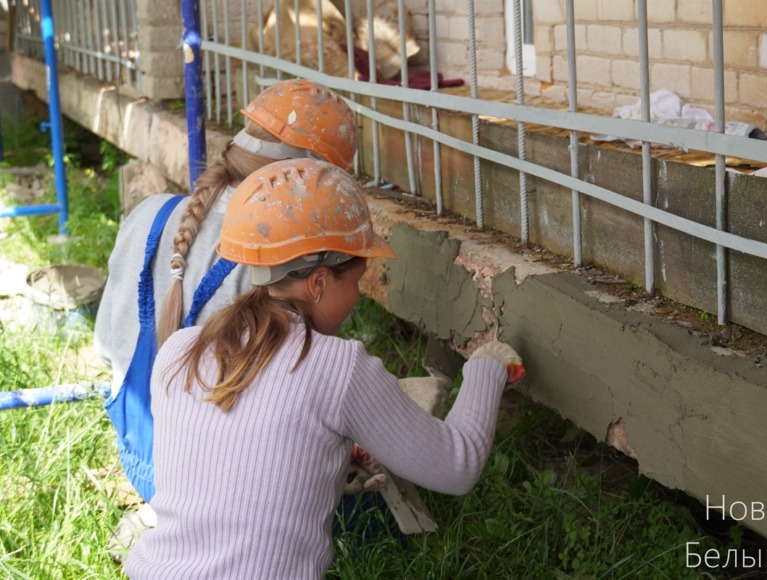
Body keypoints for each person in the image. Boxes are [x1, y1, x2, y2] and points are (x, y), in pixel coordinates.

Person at [124, 158, 524, 579]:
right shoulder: (337, 367)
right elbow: (458, 465)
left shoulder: (180, 350)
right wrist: (486, 366)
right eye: (355, 280)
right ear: (318, 283)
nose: (357, 296)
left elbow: (224, 459)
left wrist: (326, 457)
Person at [93, 79, 359, 550]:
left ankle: (160, 514)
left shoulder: (150, 212)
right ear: (310, 186)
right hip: (222, 488)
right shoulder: (276, 265)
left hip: (139, 454)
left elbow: (105, 346)